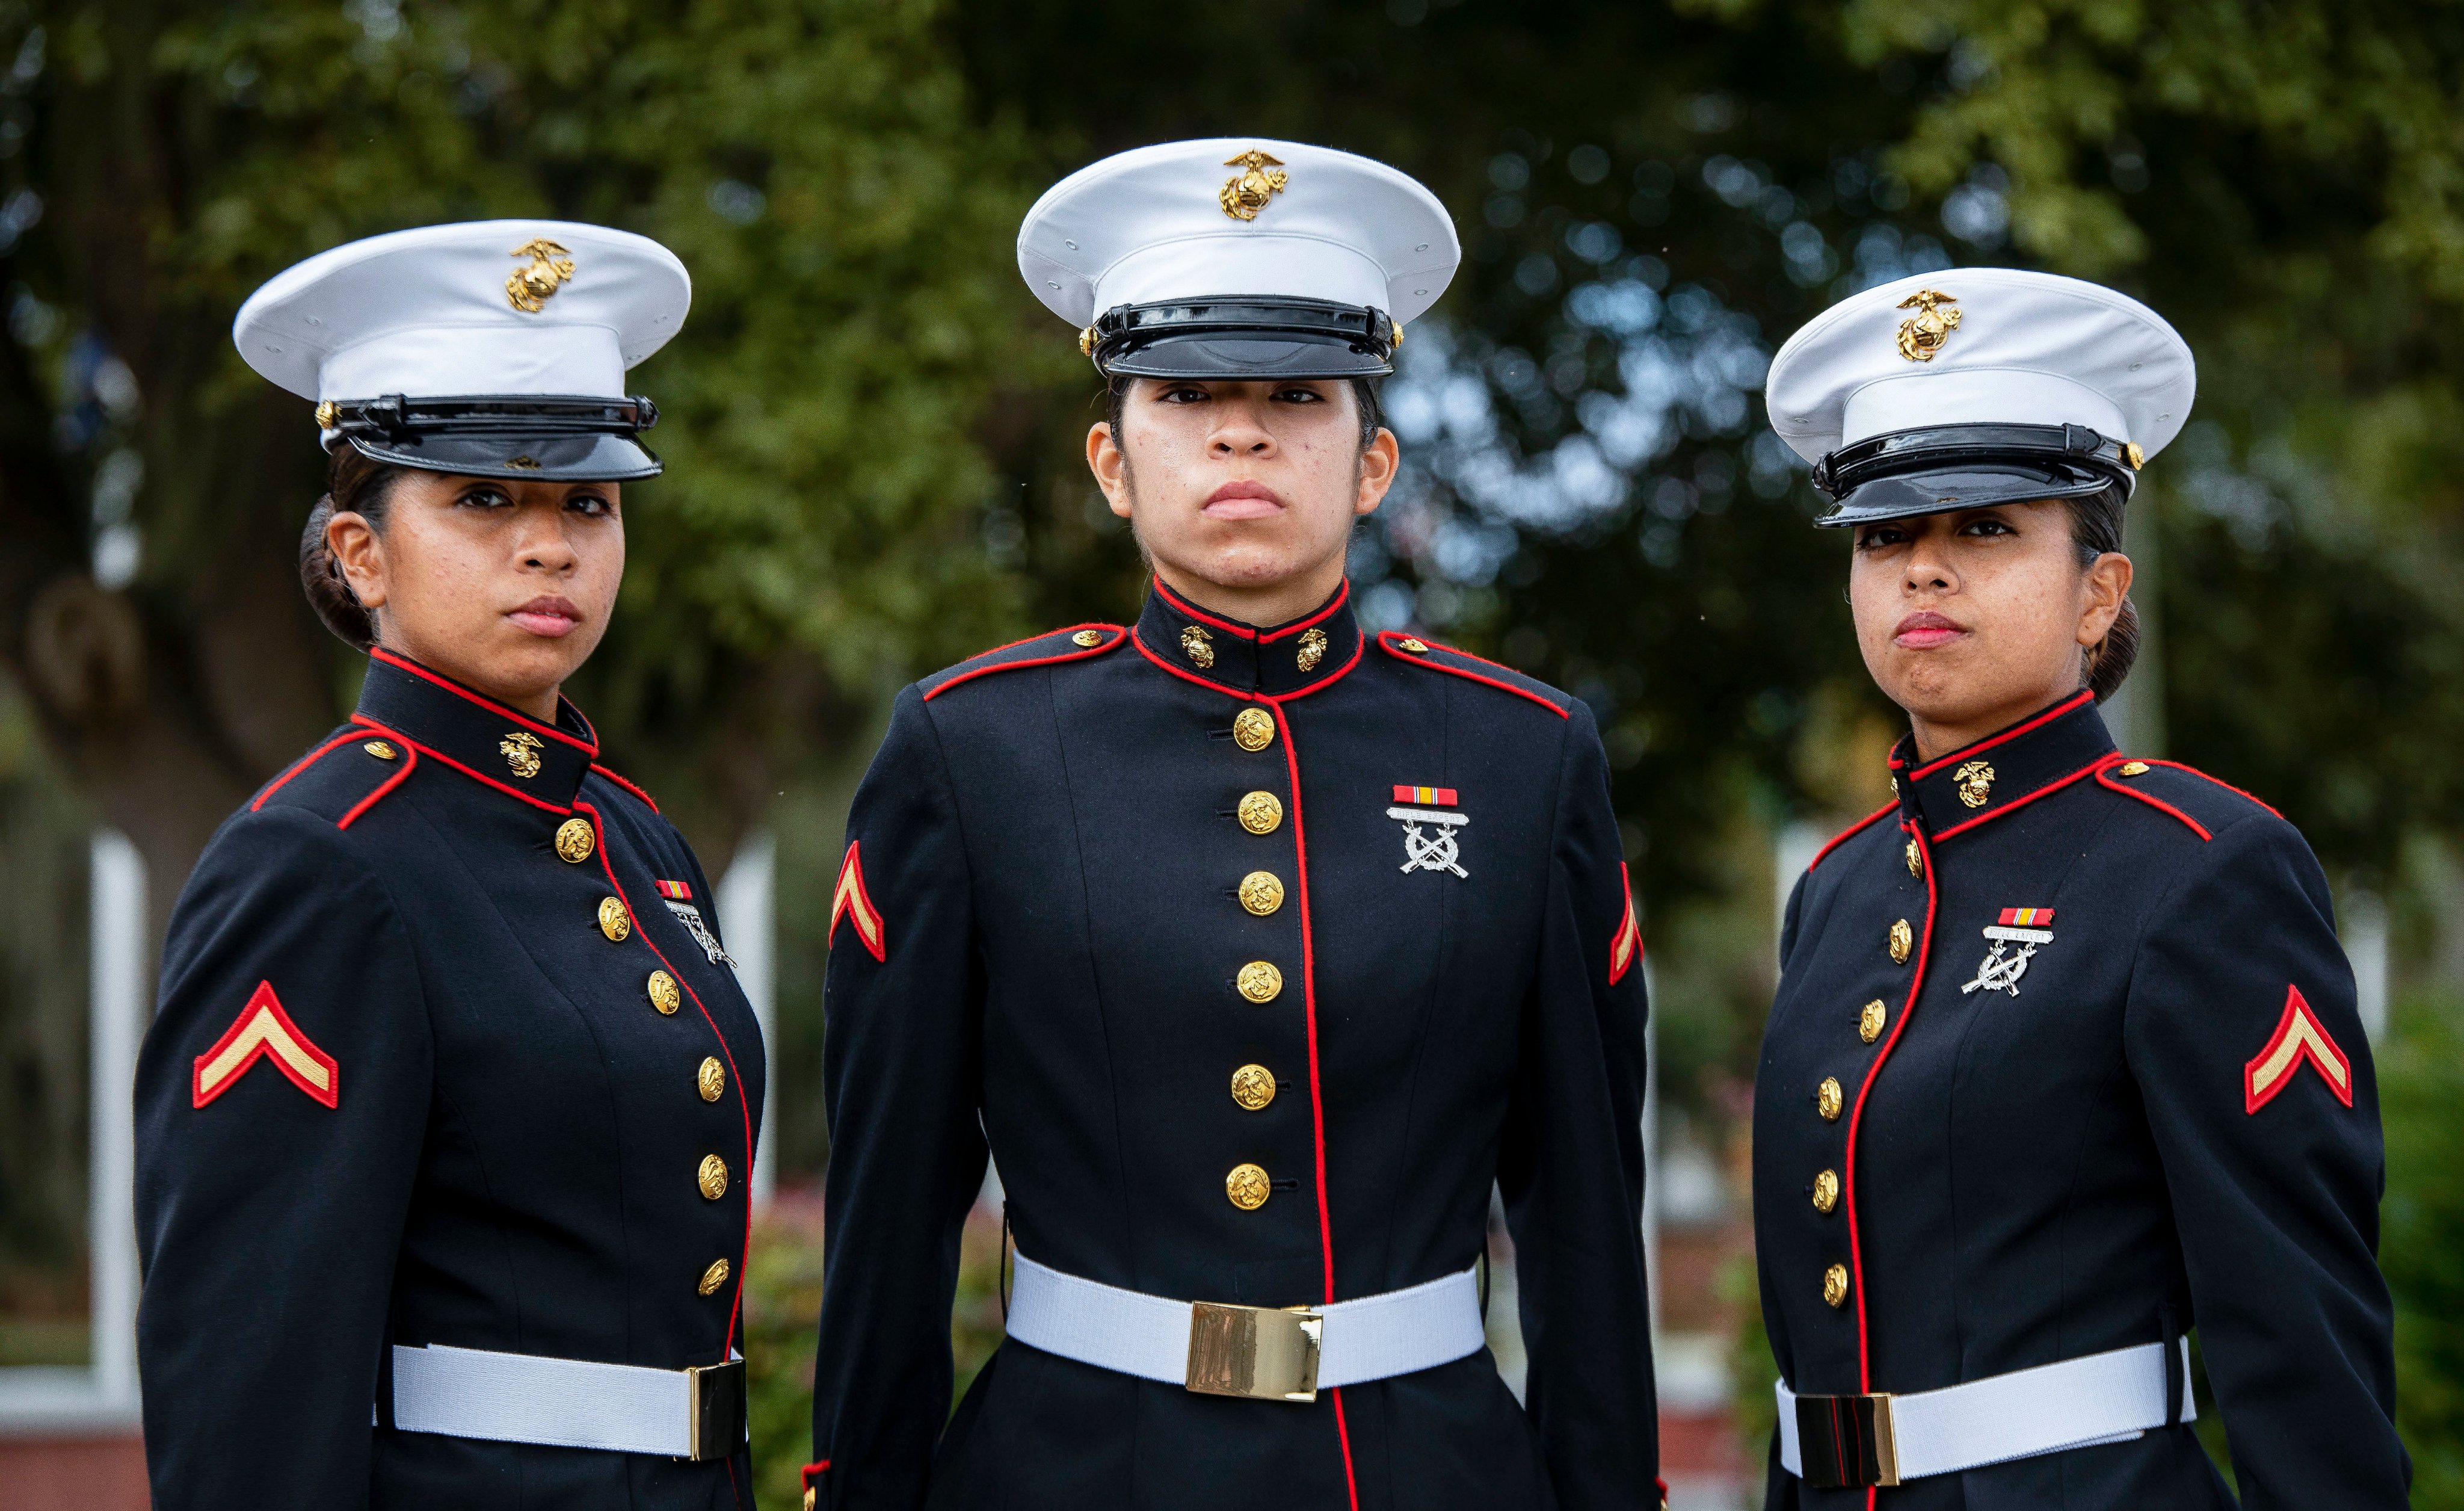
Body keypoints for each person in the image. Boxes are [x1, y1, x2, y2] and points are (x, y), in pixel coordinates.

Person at [804, 139, 1661, 1511]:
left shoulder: (1517, 757)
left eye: (1295, 396)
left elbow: (1580, 1216)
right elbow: (891, 1210)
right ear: (1108, 459)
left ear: (1372, 460)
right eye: (1188, 392)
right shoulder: (974, 749)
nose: (1241, 432)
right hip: (1063, 1469)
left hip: (1427, 1471)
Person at [1751, 268, 2408, 1507]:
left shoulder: (2199, 868)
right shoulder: (1834, 890)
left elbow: (2296, 1328)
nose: (1923, 571)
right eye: (1885, 534)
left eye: (1985, 528)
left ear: (2096, 593)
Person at [135, 221, 765, 1510]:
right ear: (360, 553)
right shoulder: (314, 863)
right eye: (484, 498)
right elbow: (245, 1361)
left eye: (586, 500)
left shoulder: (635, 838)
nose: (550, 545)